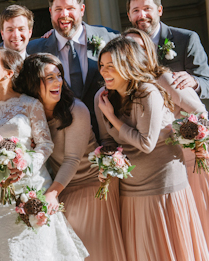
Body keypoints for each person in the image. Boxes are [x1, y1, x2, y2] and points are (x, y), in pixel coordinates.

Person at [0, 47, 88, 260]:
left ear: (8, 72)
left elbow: (45, 144)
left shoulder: (30, 105)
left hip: (33, 188)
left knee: (42, 251)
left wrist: (24, 165)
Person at [95, 36, 209, 260]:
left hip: (164, 185)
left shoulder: (148, 92)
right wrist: (108, 161)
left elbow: (146, 143)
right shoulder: (102, 97)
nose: (104, 71)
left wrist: (112, 117)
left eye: (110, 66)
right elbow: (106, 140)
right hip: (131, 188)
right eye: (101, 66)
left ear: (126, 65)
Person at [16, 53, 126, 261]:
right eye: (50, 78)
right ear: (32, 82)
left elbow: (72, 159)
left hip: (92, 185)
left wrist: (51, 195)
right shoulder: (28, 113)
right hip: (61, 188)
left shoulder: (76, 109)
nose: (58, 81)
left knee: (89, 253)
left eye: (59, 76)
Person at [124, 27, 209, 243]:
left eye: (140, 47)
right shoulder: (133, 87)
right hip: (170, 167)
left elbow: (200, 113)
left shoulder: (165, 79)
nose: (135, 52)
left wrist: (188, 137)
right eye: (129, 48)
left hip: (193, 161)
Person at [26, 0, 118, 138]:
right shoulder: (34, 50)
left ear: (82, 9)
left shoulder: (110, 38)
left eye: (70, 8)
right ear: (50, 12)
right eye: (58, 9)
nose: (64, 14)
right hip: (60, 137)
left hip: (110, 133)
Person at [127, 0, 209, 98]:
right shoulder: (124, 46)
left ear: (160, 10)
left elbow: (206, 83)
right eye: (136, 10)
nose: (142, 15)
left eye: (147, 9)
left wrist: (194, 83)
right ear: (129, 16)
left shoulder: (186, 39)